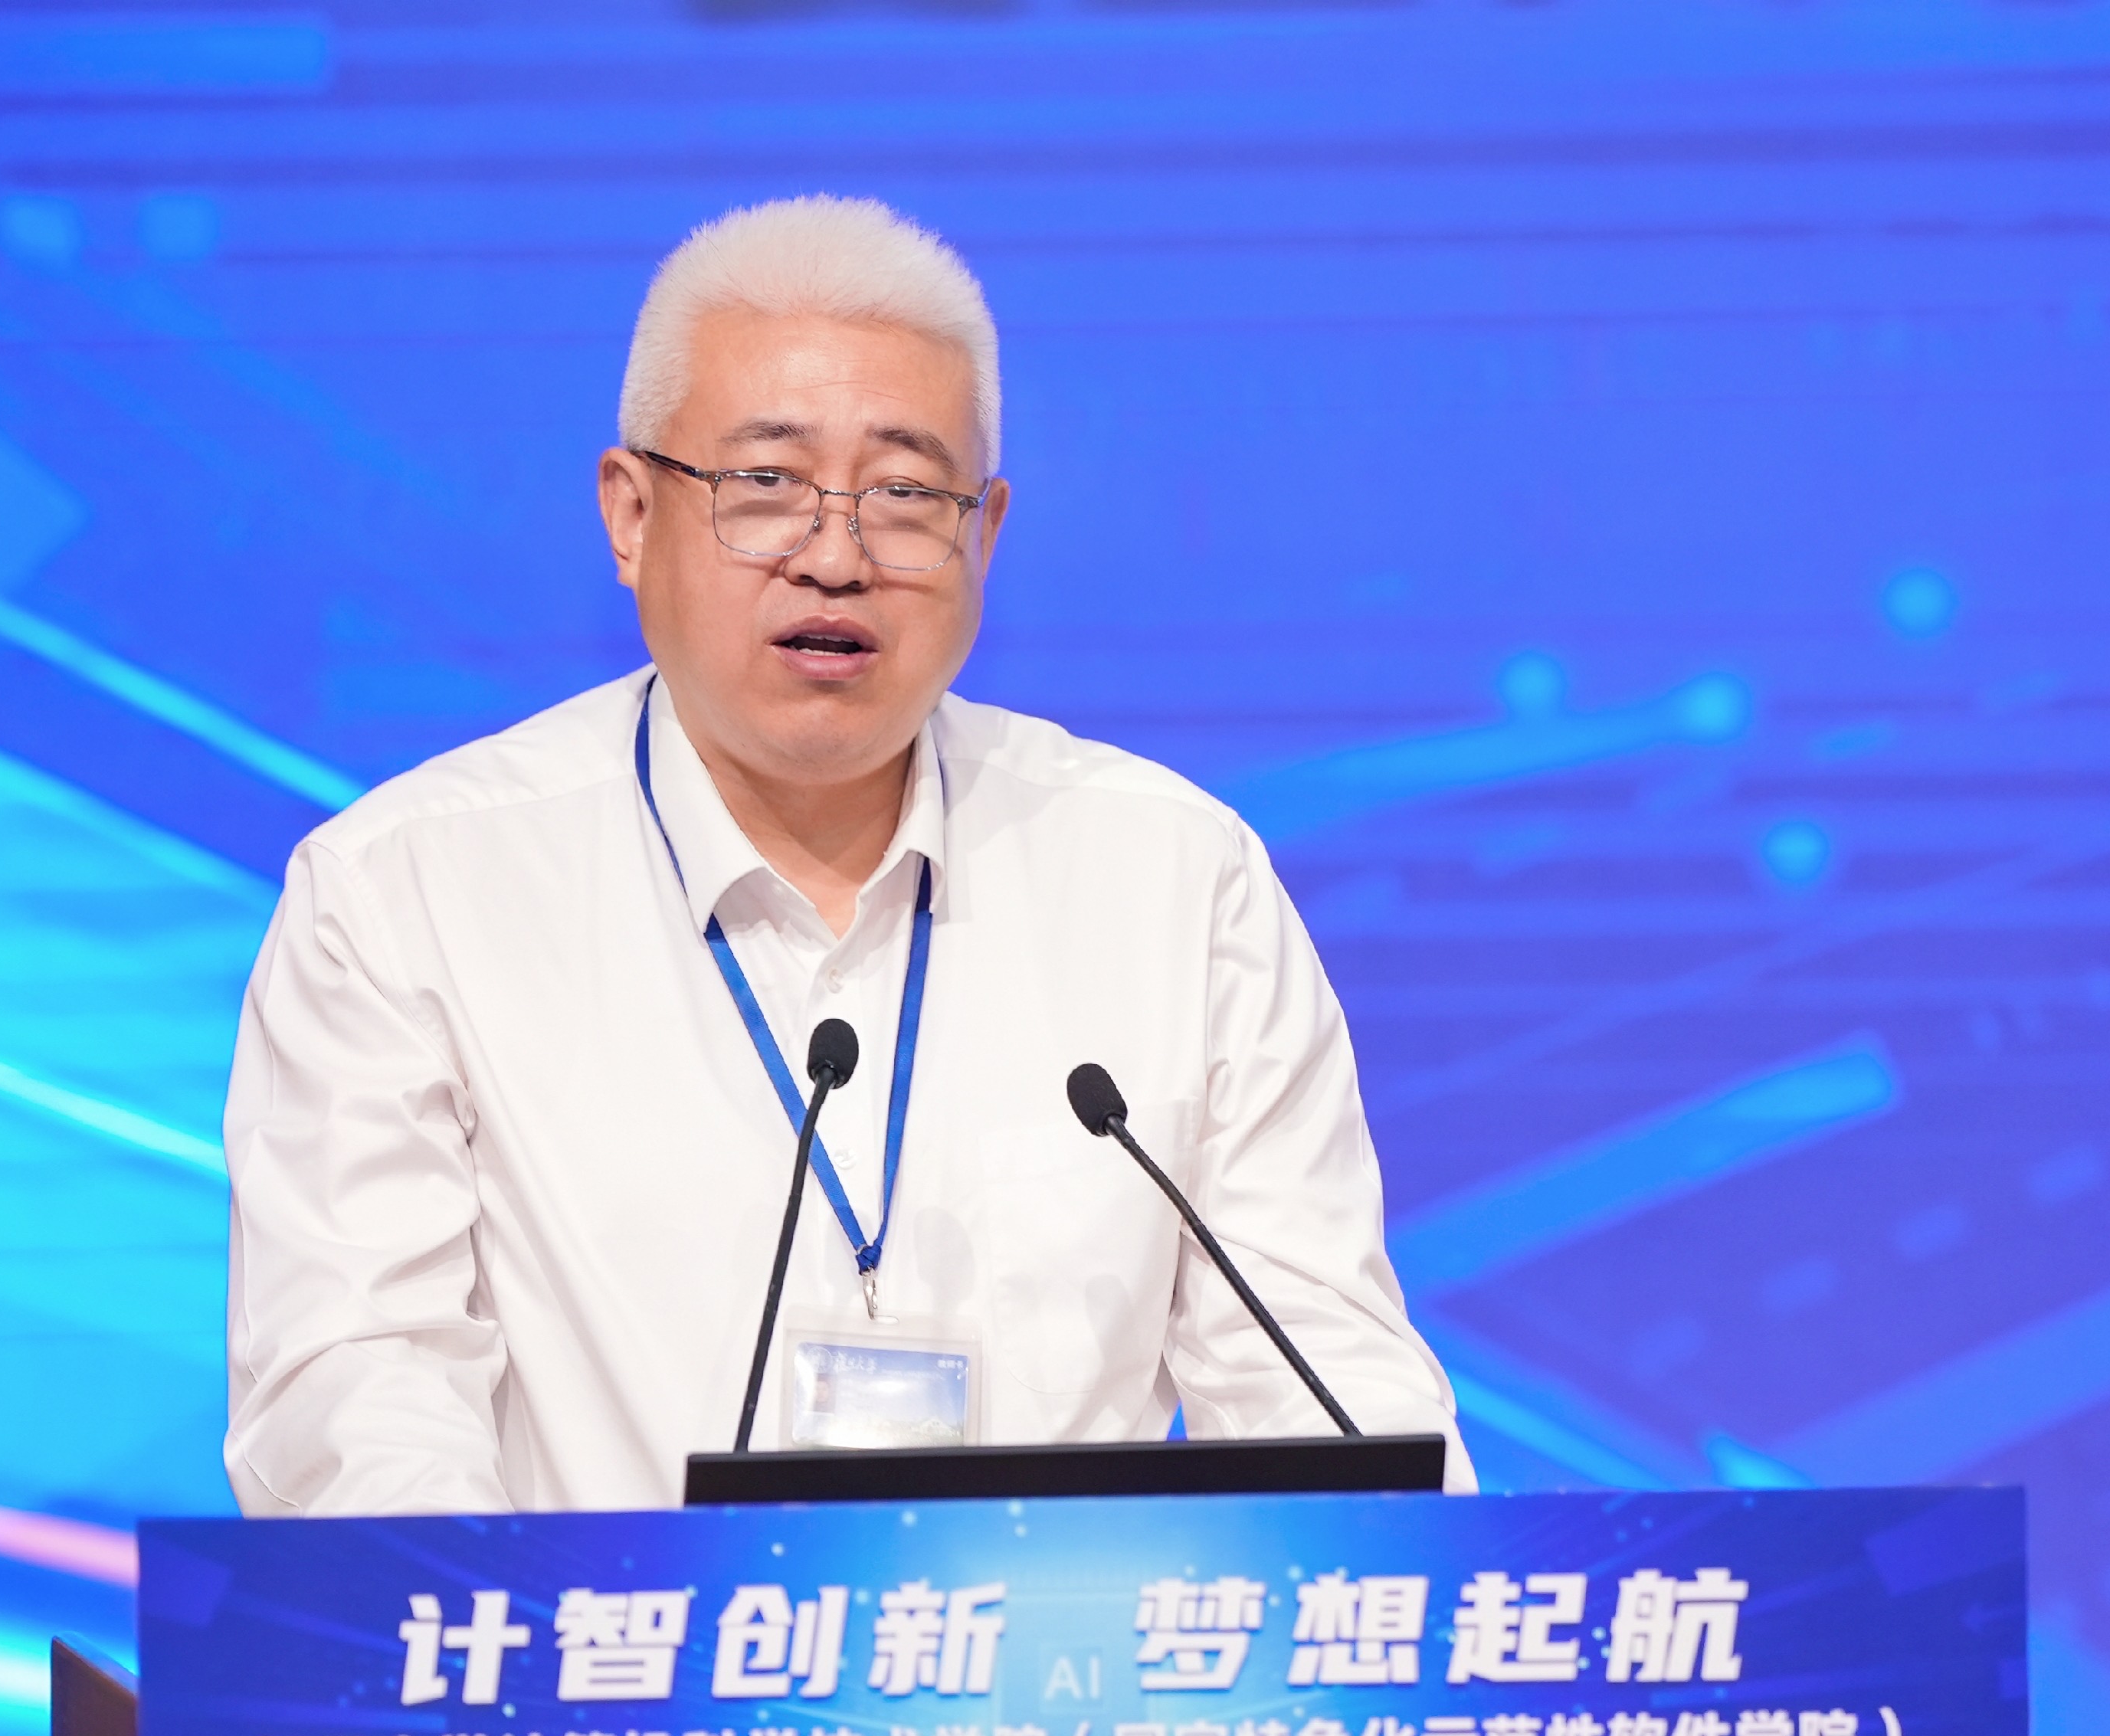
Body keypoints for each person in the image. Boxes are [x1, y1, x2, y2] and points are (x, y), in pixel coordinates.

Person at [221, 195, 1471, 1514]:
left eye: (906, 495)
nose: (837, 556)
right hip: (597, 1649)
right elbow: (357, 1428)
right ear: (631, 515)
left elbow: (1331, 1390)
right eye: (766, 485)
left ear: (985, 535)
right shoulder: (406, 897)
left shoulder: (1175, 883)